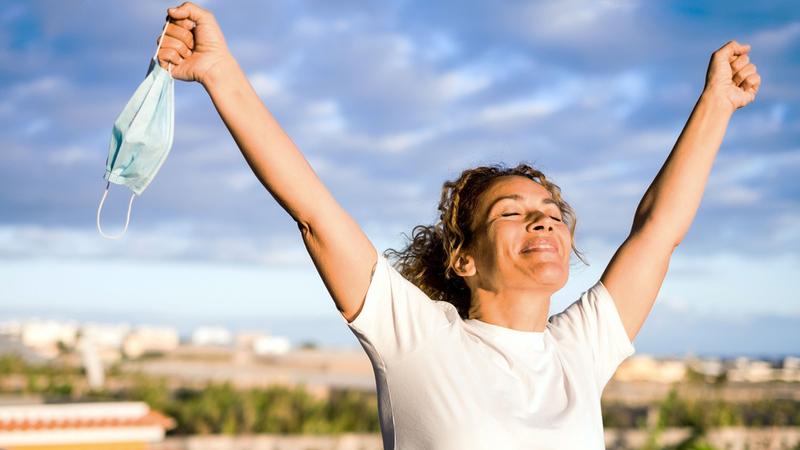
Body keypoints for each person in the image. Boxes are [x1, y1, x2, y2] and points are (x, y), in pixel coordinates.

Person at [154, 3, 761, 448]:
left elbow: (657, 231)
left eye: (553, 213)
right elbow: (314, 212)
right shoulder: (419, 340)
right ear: (463, 259)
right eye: (513, 213)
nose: (544, 221)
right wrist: (220, 73)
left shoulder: (581, 349)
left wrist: (716, 103)